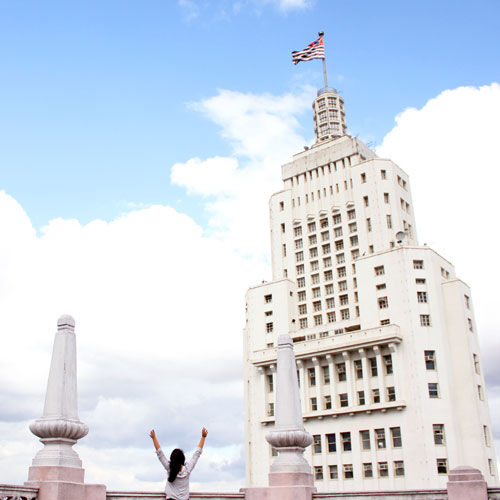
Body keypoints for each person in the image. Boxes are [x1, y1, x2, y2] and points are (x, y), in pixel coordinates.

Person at [150, 427, 208, 500]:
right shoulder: (187, 469)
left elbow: (160, 454)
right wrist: (203, 437)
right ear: (183, 458)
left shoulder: (169, 468)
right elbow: (197, 454)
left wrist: (154, 438)